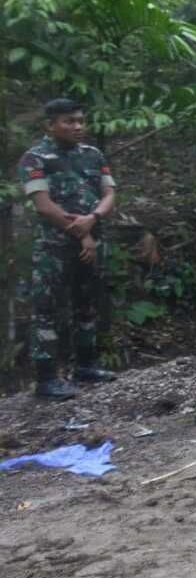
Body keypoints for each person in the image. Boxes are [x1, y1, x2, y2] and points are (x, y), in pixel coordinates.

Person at [18, 98, 117, 400]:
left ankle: (86, 365)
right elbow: (44, 205)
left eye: (80, 121)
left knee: (86, 303)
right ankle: (46, 379)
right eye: (69, 121)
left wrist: (93, 218)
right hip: (53, 248)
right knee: (46, 310)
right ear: (50, 125)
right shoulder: (35, 159)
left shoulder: (92, 154)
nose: (77, 127)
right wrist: (81, 232)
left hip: (91, 240)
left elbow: (109, 192)